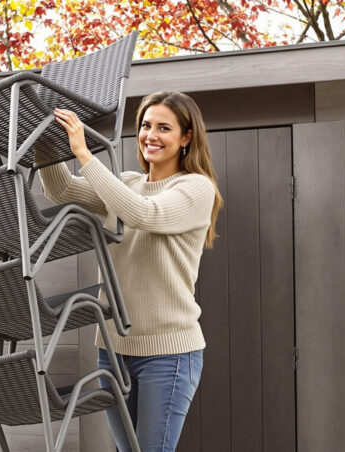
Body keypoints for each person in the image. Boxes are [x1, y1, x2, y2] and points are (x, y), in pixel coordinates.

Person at [38, 91, 223, 452]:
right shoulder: (125, 184)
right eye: (145, 125)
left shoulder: (196, 188)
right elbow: (61, 189)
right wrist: (44, 141)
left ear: (186, 137)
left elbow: (143, 214)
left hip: (168, 355)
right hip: (113, 351)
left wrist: (83, 153)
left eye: (164, 128)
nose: (150, 135)